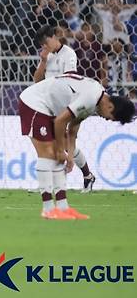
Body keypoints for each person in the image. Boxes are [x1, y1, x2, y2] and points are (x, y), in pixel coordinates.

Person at [18, 73, 135, 219]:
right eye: (111, 118)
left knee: (57, 157)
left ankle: (63, 208)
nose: (106, 119)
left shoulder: (95, 101)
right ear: (110, 106)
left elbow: (72, 130)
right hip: (34, 102)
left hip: (49, 108)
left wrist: (70, 156)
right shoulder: (90, 98)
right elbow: (60, 121)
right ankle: (48, 209)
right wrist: (61, 150)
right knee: (48, 154)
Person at [32, 25, 96, 192]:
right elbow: (37, 81)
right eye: (42, 44)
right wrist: (43, 61)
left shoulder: (69, 54)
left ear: (55, 37)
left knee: (63, 144)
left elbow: (70, 79)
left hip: (65, 104)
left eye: (46, 42)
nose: (44, 46)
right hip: (48, 104)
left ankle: (74, 178)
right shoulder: (46, 56)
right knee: (51, 143)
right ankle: (86, 176)